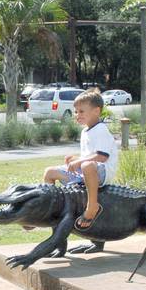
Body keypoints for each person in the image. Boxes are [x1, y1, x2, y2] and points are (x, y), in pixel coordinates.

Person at [40, 90, 118, 230]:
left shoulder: (100, 129)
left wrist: (80, 162)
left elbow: (101, 156)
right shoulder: (85, 131)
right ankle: (50, 208)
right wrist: (76, 159)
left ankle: (92, 206)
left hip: (101, 173)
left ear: (96, 111)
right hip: (86, 171)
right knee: (49, 173)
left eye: (81, 111)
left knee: (87, 165)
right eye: (76, 112)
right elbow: (89, 155)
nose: (77, 115)